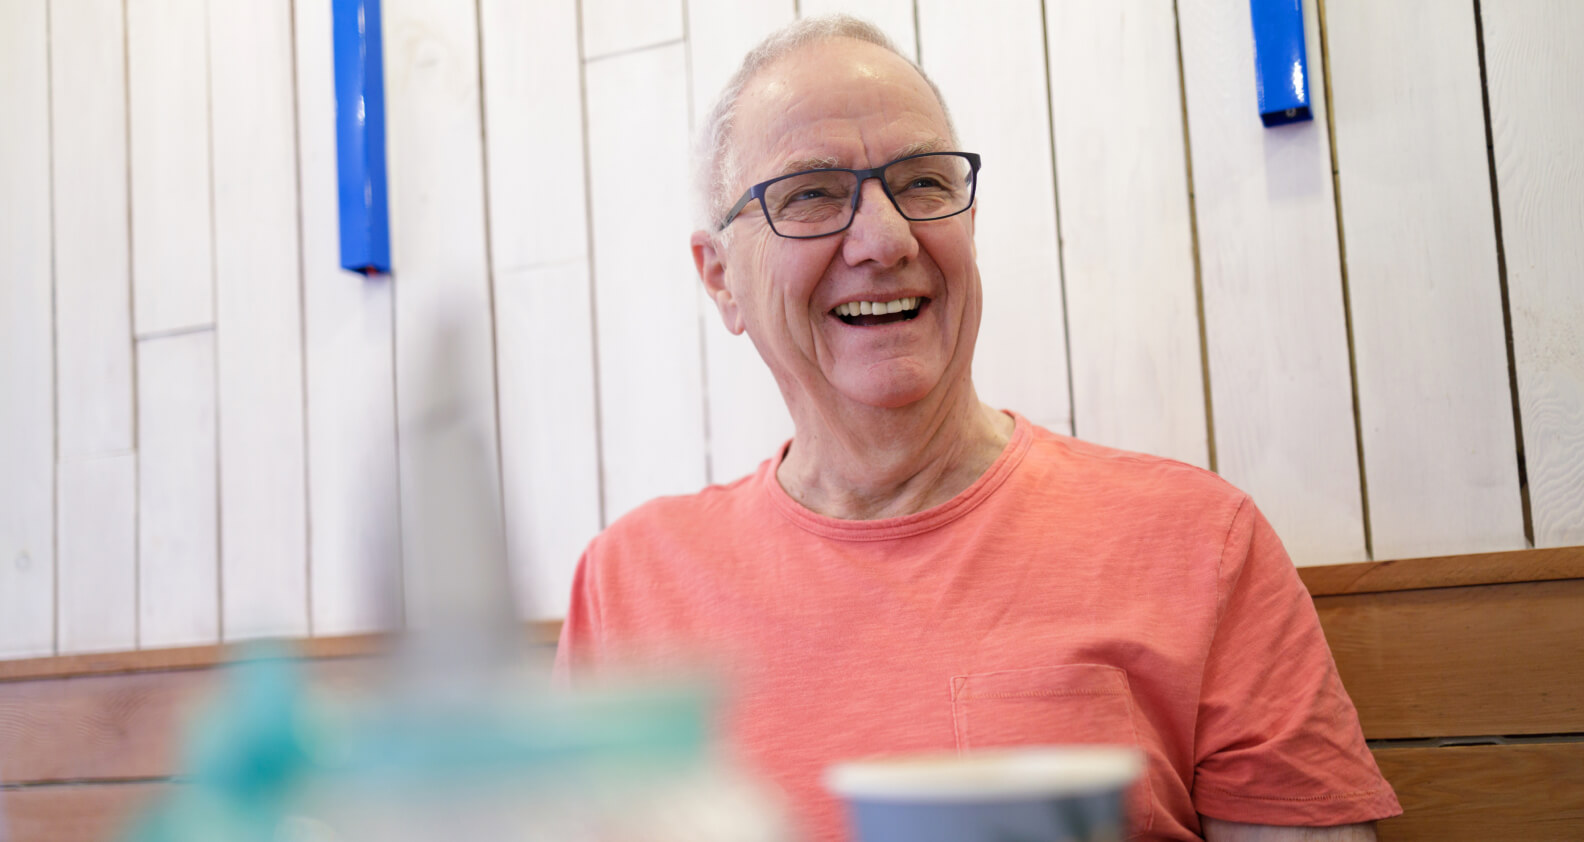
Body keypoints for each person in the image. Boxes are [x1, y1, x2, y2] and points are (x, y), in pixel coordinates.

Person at [555, 15, 1401, 842]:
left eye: (923, 182)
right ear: (720, 279)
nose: (884, 240)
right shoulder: (628, 583)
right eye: (810, 195)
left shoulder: (1199, 541)